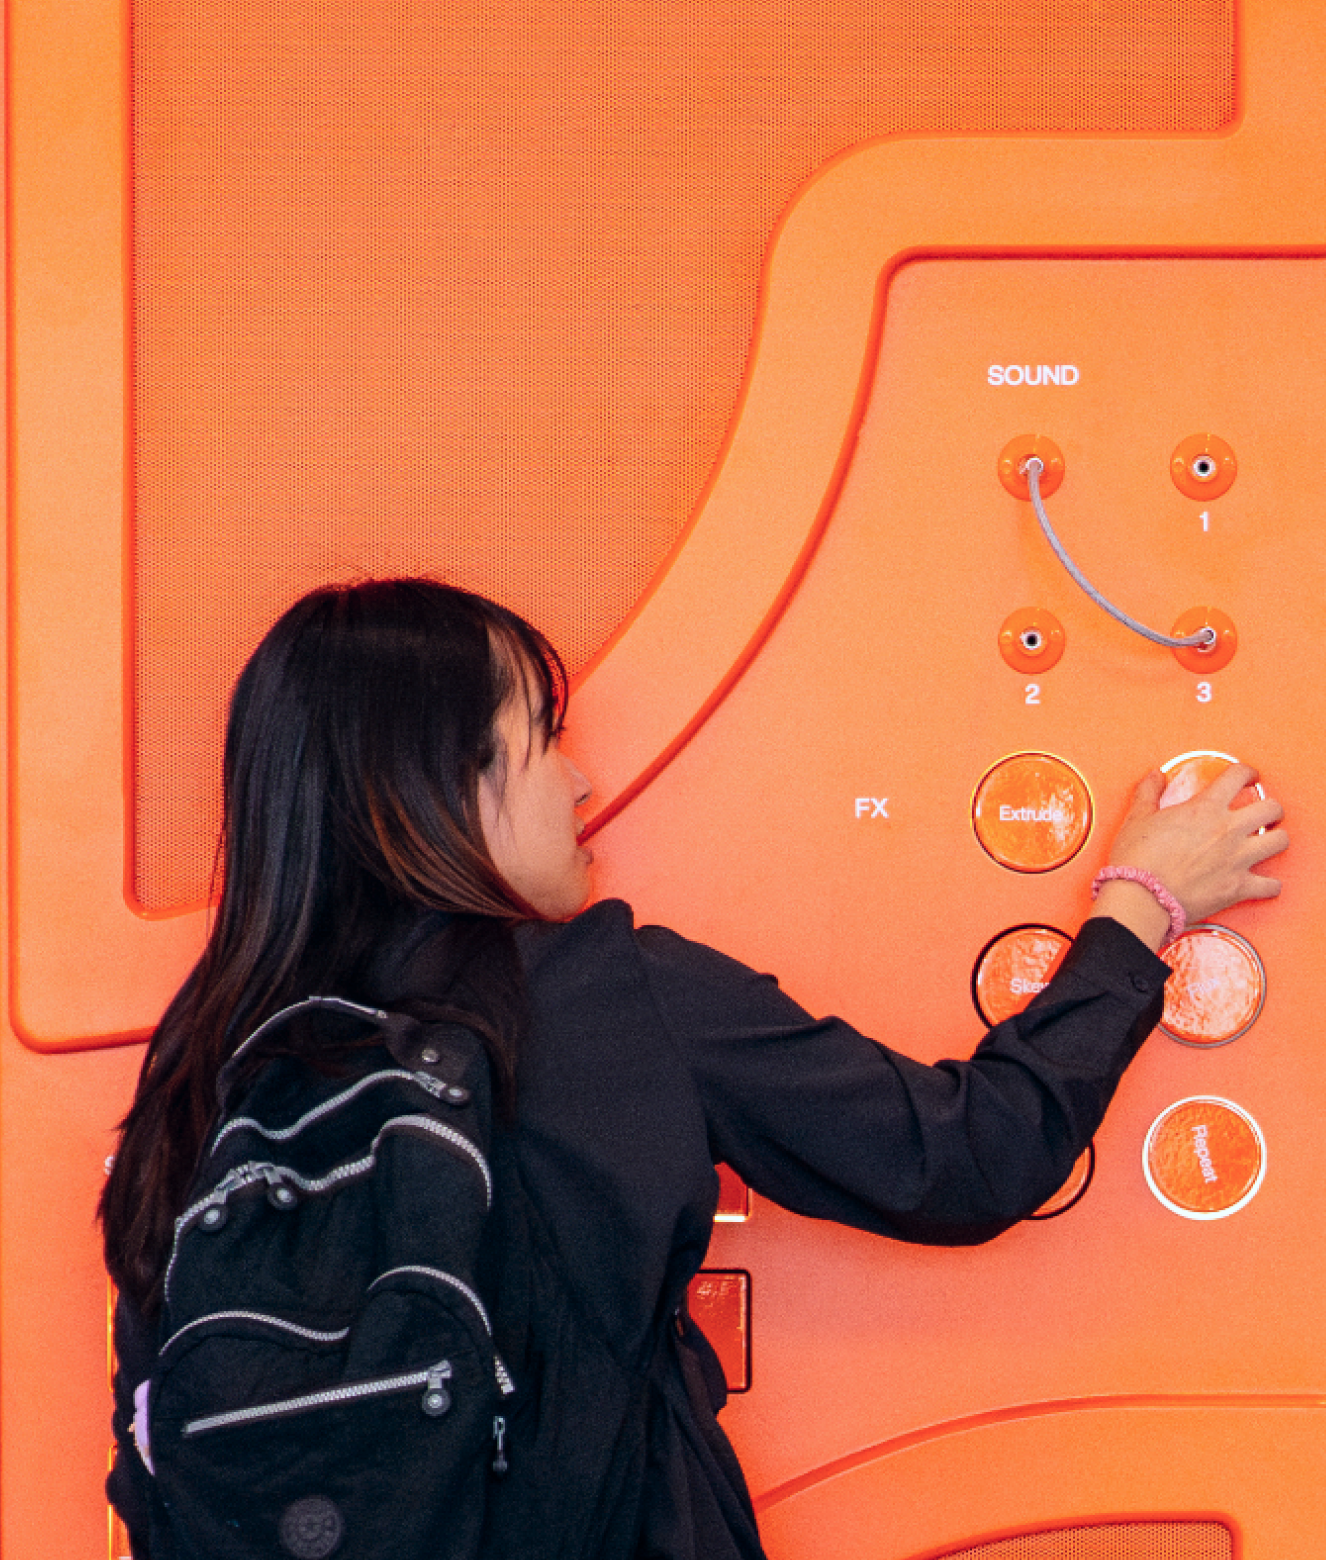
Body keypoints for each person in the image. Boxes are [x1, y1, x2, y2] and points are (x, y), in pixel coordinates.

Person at [101, 577, 1285, 1560]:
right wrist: (1140, 910)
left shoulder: (204, 1064)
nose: (580, 782)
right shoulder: (608, 998)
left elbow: (156, 1454)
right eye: (539, 742)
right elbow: (967, 1158)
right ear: (435, 790)